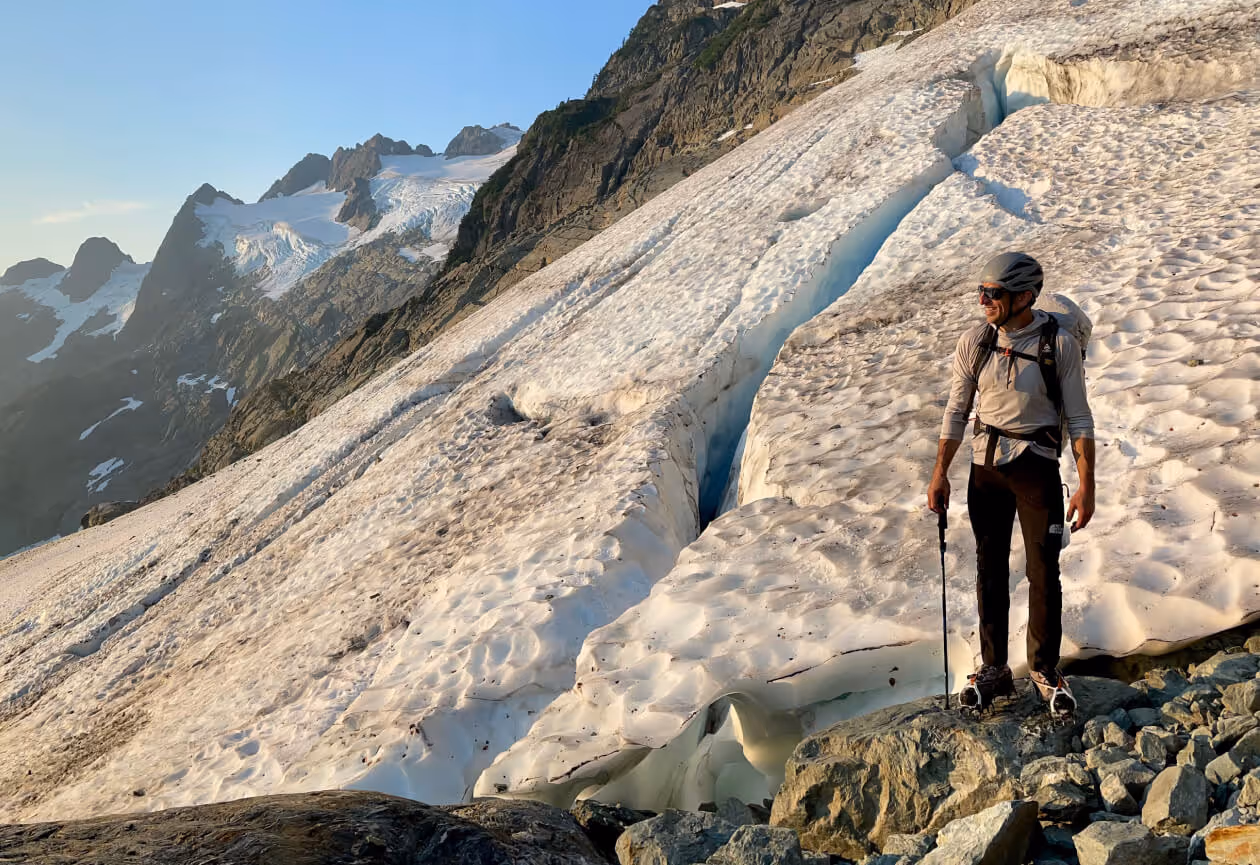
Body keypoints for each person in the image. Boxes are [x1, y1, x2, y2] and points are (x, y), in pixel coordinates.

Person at [927, 252, 1095, 715]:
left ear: (1025, 296)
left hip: (1035, 467)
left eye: (993, 294)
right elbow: (956, 410)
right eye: (981, 292)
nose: (983, 301)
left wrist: (1086, 486)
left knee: (1042, 570)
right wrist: (940, 472)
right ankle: (995, 669)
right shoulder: (975, 342)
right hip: (985, 471)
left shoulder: (1057, 345)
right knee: (989, 567)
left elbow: (1080, 419)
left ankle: (1043, 669)